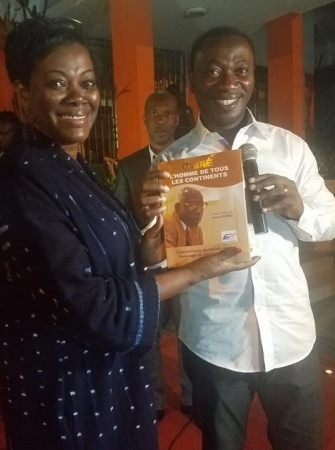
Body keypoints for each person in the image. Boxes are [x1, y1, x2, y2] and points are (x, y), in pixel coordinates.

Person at [0, 17, 258, 450]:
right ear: (24, 93)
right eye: (57, 83)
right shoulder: (23, 183)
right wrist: (198, 270)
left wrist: (151, 238)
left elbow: (115, 261)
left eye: (87, 83)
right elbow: (101, 308)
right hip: (69, 394)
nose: (78, 97)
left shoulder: (72, 168)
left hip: (105, 379)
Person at [134, 26, 335, 450]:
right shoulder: (172, 163)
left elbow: (331, 222)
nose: (229, 82)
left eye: (241, 70)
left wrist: (298, 207)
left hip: (290, 336)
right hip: (215, 342)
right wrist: (149, 235)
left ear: (252, 78)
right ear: (192, 82)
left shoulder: (289, 147)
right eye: (213, 71)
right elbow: (162, 260)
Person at [114, 91, 192, 421]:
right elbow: (120, 216)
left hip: (187, 260)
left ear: (177, 117)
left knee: (189, 331)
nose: (161, 121)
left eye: (167, 113)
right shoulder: (129, 166)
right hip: (148, 267)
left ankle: (191, 395)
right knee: (151, 335)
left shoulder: (192, 159)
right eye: (154, 114)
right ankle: (155, 399)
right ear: (145, 119)